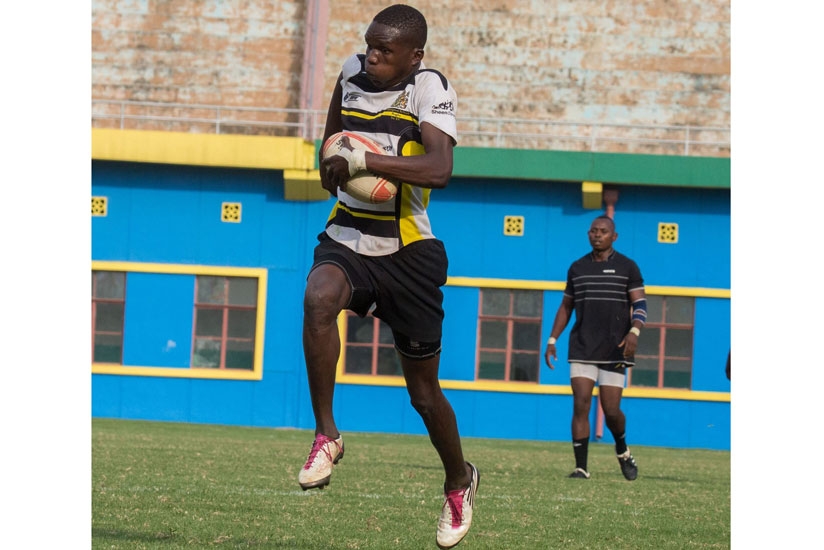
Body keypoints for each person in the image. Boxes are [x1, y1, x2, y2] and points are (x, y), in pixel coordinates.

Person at [298, 5, 478, 549]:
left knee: (423, 394)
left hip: (410, 253)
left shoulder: (430, 86)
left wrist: (368, 163)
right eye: (370, 45)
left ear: (414, 54)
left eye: (385, 50)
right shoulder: (349, 74)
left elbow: (440, 170)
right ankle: (327, 435)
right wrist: (335, 167)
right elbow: (330, 152)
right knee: (317, 298)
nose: (372, 55)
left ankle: (458, 480)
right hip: (349, 233)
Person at [544, 214, 647, 481]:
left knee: (611, 410)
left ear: (614, 236)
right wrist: (552, 339)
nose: (596, 235)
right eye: (593, 231)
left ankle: (622, 449)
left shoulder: (628, 267)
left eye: (603, 231)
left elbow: (640, 305)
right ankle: (581, 467)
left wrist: (635, 331)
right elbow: (566, 307)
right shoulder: (577, 268)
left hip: (616, 348)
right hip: (582, 347)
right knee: (581, 403)